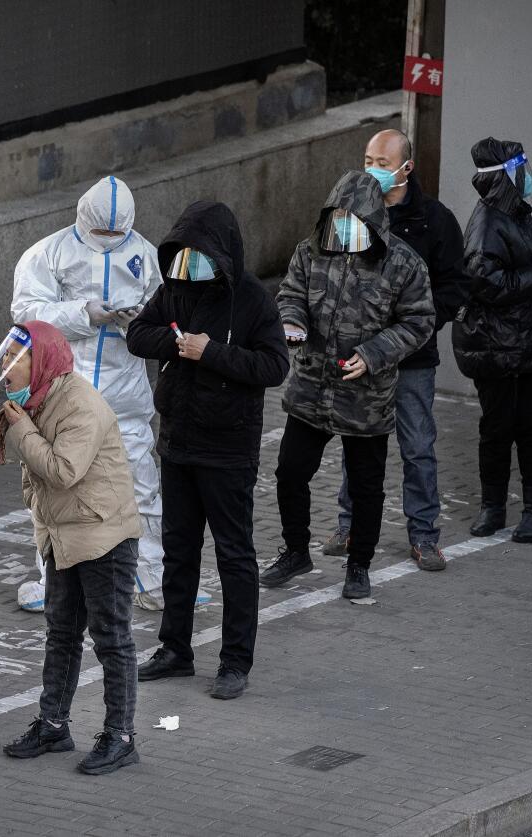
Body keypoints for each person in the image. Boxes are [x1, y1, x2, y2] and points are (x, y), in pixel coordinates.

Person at [126, 201, 289, 700]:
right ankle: (175, 648)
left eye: (200, 257)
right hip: (178, 443)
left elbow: (274, 367)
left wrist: (210, 352)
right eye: (183, 255)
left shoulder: (253, 300)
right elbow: (137, 335)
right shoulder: (174, 289)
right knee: (179, 552)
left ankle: (235, 661)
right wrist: (178, 345)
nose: (189, 266)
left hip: (228, 450)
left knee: (235, 556)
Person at [263, 170, 434, 598]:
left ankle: (359, 566)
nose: (343, 225)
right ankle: (295, 550)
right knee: (290, 472)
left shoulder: (404, 263)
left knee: (365, 486)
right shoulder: (310, 251)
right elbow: (290, 295)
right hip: (310, 388)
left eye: (352, 218)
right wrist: (292, 323)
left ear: (372, 222)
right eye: (338, 216)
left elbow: (419, 321)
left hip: (366, 398)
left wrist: (374, 354)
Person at [11, 175, 172, 613]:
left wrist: (137, 321)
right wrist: (83, 314)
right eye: (101, 234)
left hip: (125, 396)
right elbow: (26, 314)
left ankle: (150, 579)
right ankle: (55, 584)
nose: (108, 243)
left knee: (140, 488)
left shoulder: (145, 254)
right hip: (65, 395)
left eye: (115, 236)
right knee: (57, 492)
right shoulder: (48, 253)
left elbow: (167, 308)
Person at [0, 321, 143, 775]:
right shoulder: (33, 399)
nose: (6, 367)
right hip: (62, 536)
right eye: (5, 356)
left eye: (14, 359)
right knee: (61, 633)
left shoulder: (80, 404)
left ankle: (120, 737)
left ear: (40, 362)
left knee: (112, 640)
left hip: (104, 537)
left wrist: (20, 432)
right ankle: (53, 724)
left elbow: (62, 471)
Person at [323, 129, 469, 571]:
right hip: (360, 359)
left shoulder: (435, 220)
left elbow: (454, 287)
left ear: (406, 168)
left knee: (417, 447)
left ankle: (424, 536)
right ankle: (348, 527)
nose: (373, 170)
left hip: (411, 361)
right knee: (356, 444)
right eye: (368, 160)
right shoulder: (349, 214)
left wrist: (417, 328)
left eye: (383, 163)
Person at [455, 139, 532, 543]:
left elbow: (521, 267)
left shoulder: (517, 214)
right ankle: (493, 507)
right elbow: (485, 282)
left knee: (531, 426)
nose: (529, 175)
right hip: (495, 345)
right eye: (522, 168)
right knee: (498, 427)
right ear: (507, 176)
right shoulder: (486, 223)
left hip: (530, 340)